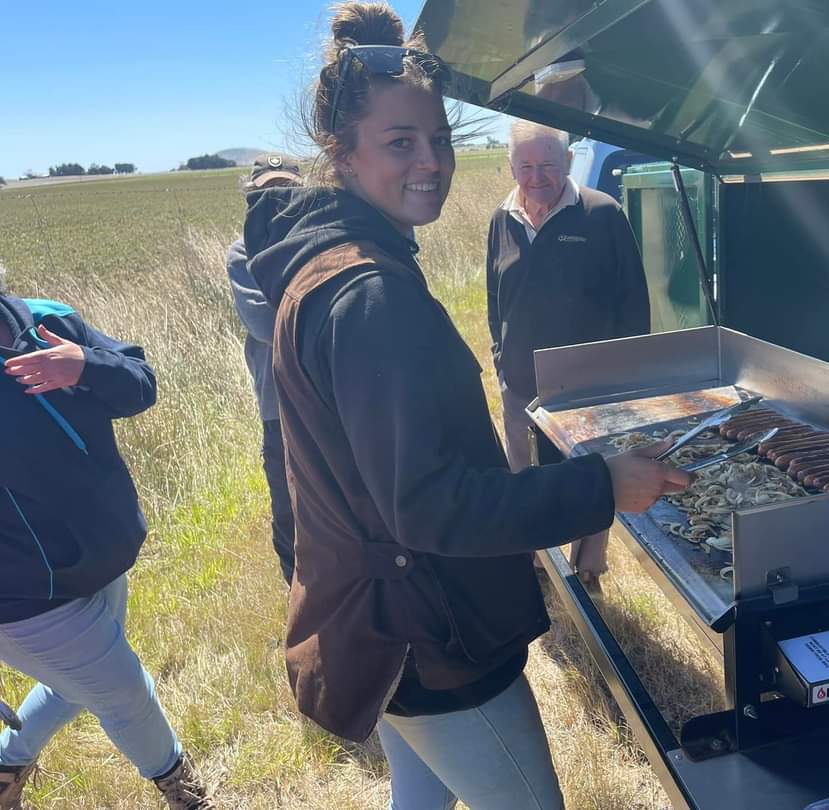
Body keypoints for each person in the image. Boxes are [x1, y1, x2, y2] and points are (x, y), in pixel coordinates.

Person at [242, 4, 689, 808]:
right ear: (339, 156)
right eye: (400, 143)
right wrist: (601, 486)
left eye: (441, 139)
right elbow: (430, 505)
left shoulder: (324, 264)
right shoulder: (368, 292)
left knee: (418, 792)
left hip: (375, 626)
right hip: (426, 635)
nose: (432, 164)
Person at [0, 264, 214, 809]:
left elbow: (140, 386)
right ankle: (183, 793)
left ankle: (3, 769)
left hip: (104, 553)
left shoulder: (48, 320)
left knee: (78, 687)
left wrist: (84, 367)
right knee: (124, 691)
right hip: (23, 595)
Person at [486, 120, 651, 592]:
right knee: (526, 475)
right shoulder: (501, 218)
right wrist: (501, 357)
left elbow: (632, 303)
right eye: (525, 166)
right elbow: (494, 297)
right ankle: (539, 566)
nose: (536, 177)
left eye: (547, 166)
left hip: (588, 383)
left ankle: (588, 568)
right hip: (520, 380)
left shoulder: (601, 213)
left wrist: (626, 374)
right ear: (511, 166)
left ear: (568, 163)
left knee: (589, 477)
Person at [226, 154, 303, 584]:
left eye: (287, 191)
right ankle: (299, 606)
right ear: (250, 199)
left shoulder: (322, 239)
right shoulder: (242, 252)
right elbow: (264, 323)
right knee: (289, 515)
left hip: (334, 401)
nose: (278, 201)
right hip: (279, 407)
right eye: (266, 193)